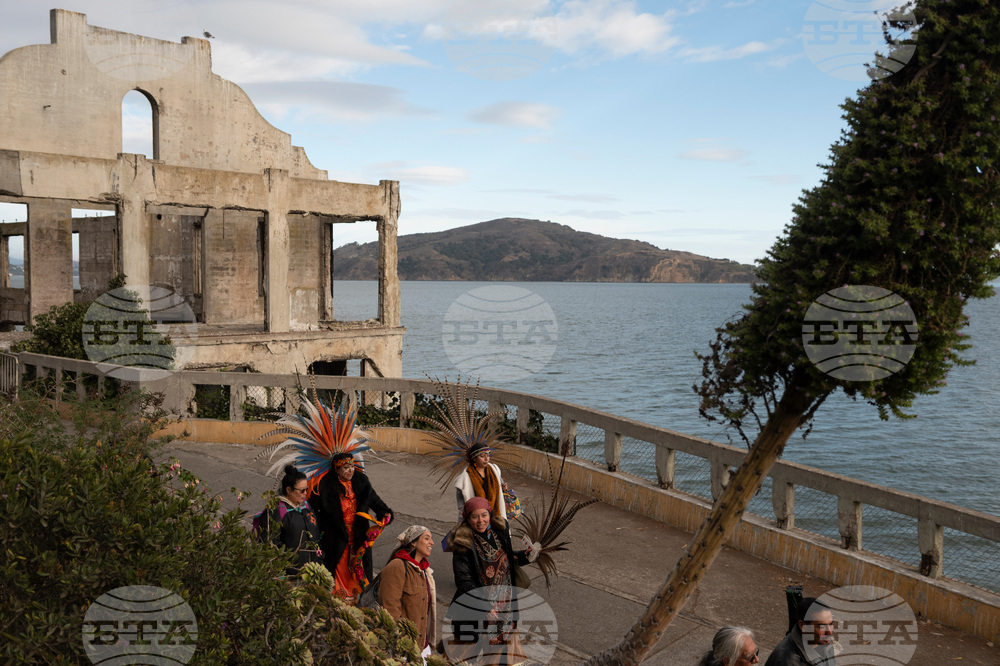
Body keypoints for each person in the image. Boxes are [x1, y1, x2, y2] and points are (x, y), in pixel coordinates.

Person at [444, 497, 538, 665]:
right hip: (476, 609)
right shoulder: (463, 544)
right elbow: (464, 581)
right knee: (463, 655)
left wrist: (526, 556)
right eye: (475, 516)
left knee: (502, 656)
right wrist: (485, 606)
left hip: (505, 608)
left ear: (490, 515)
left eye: (484, 515)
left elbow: (508, 557)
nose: (480, 521)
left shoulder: (499, 532)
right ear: (468, 518)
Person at [313, 453, 392, 598]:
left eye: (352, 467)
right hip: (337, 536)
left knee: (358, 569)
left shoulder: (361, 481)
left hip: (358, 535)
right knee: (339, 568)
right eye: (345, 468)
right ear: (337, 469)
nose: (350, 471)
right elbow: (314, 510)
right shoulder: (326, 485)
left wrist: (385, 512)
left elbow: (373, 499)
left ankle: (357, 599)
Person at [379, 525, 437, 654]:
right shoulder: (397, 566)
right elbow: (390, 607)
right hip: (403, 645)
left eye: (431, 538)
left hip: (422, 644)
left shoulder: (424, 570)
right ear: (413, 543)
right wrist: (401, 639)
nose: (432, 542)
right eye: (427, 538)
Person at [267, 464, 323, 576]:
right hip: (290, 574)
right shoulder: (276, 511)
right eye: (301, 490)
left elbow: (316, 533)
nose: (305, 493)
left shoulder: (306, 506)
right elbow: (271, 544)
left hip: (312, 571)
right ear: (288, 490)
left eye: (306, 489)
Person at [764, 597, 840, 666]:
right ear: (803, 626)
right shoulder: (788, 661)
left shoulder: (824, 641)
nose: (829, 632)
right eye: (822, 627)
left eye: (831, 624)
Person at [454, 444, 510, 524]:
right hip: (478, 520)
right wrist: (461, 523)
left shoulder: (494, 470)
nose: (486, 459)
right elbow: (462, 507)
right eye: (482, 456)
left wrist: (504, 490)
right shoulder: (464, 480)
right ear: (474, 458)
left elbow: (499, 490)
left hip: (495, 516)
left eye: (488, 455)